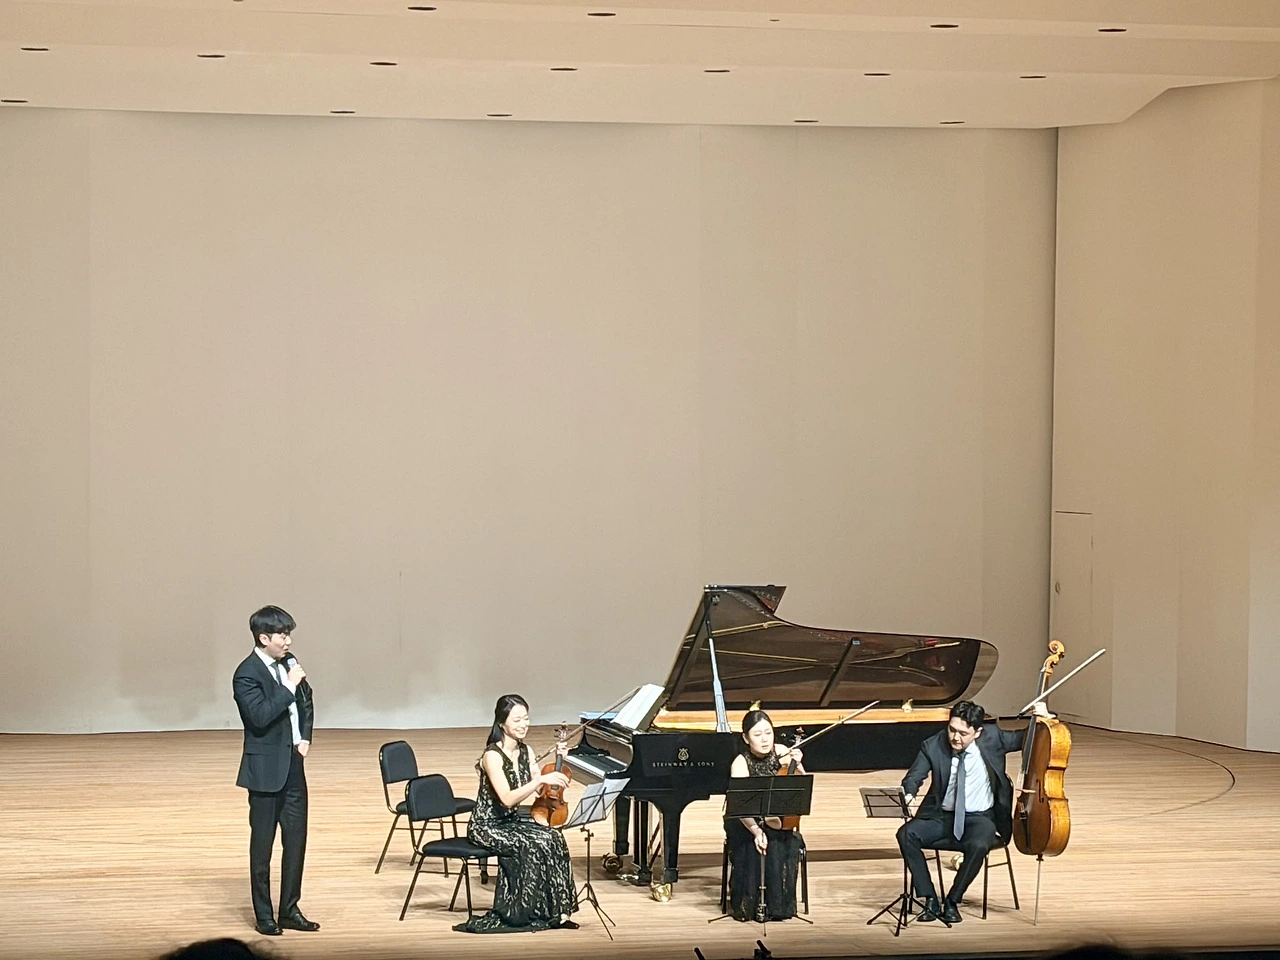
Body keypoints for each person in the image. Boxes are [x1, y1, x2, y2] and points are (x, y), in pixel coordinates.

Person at [897, 698, 1051, 925]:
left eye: (963, 733)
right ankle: (929, 898)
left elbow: (1030, 738)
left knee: (978, 845)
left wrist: (1043, 718)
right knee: (906, 834)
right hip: (941, 816)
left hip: (981, 818)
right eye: (952, 730)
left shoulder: (993, 737)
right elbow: (914, 777)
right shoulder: (933, 745)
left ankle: (952, 900)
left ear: (978, 732)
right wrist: (909, 794)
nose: (955, 738)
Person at [454, 694, 578, 933]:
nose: (524, 724)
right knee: (528, 843)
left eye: (526, 718)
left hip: (510, 822)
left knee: (553, 837)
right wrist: (540, 779)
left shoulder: (526, 751)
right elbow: (508, 798)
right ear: (502, 723)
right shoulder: (492, 756)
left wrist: (559, 760)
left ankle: (558, 913)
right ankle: (520, 913)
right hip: (487, 826)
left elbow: (538, 790)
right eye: (517, 720)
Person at [232, 605, 317, 936]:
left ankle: (290, 910)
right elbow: (260, 717)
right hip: (265, 770)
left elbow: (306, 700)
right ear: (263, 638)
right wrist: (288, 686)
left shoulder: (289, 663)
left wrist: (305, 737)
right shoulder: (247, 674)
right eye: (283, 635)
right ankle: (264, 915)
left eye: (289, 634)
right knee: (262, 847)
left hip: (293, 764)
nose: (288, 641)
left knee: (296, 841)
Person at [724, 708, 805, 922]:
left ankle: (777, 905)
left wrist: (797, 764)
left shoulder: (782, 752)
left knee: (782, 840)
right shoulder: (740, 763)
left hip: (776, 819)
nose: (765, 739)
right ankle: (751, 905)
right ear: (746, 738)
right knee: (755, 844)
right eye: (757, 734)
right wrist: (756, 831)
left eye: (768, 733)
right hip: (745, 821)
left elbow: (800, 790)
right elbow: (740, 806)